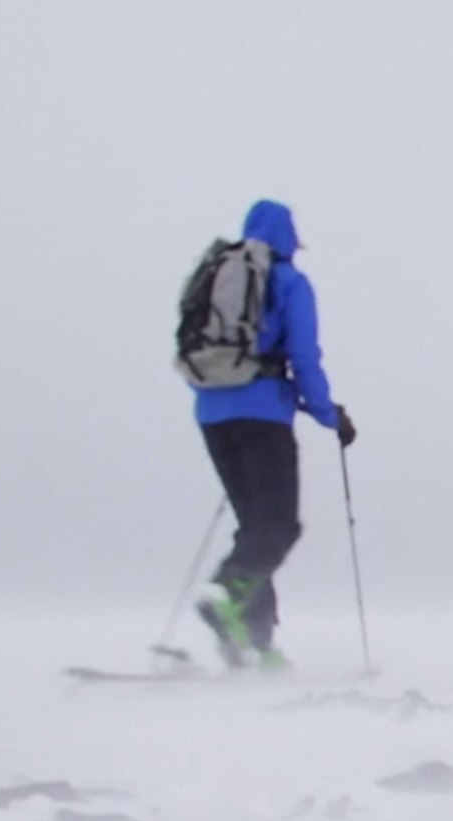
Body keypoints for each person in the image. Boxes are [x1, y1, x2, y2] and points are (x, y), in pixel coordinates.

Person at [189, 198, 357, 669]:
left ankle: (255, 646)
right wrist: (330, 415)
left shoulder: (215, 277)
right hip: (263, 417)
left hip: (213, 416)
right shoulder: (287, 282)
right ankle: (225, 593)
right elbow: (304, 358)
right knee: (279, 527)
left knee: (256, 529)